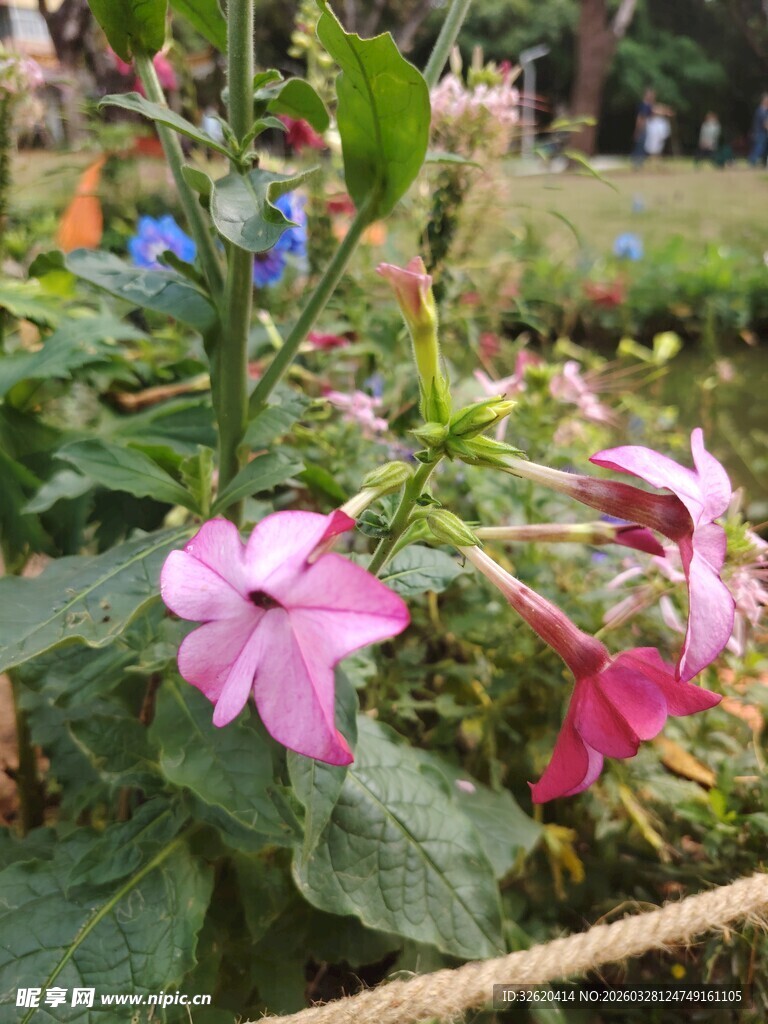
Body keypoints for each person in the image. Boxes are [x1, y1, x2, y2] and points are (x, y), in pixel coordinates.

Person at [631, 87, 655, 167]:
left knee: (642, 145)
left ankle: (639, 163)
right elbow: (640, 118)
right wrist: (638, 129)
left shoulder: (648, 105)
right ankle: (637, 163)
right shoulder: (644, 105)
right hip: (642, 128)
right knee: (639, 145)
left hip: (645, 128)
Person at [748, 94, 768, 166]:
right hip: (760, 133)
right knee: (759, 148)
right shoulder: (761, 111)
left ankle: (764, 163)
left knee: (765, 149)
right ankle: (752, 162)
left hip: (764, 133)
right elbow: (765, 124)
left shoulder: (765, 111)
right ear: (764, 101)